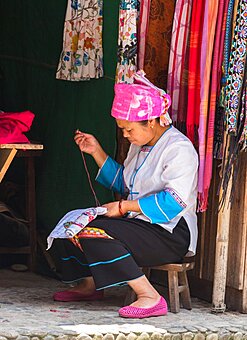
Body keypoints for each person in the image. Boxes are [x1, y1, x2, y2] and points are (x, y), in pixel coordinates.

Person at [50, 71, 198, 319]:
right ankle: (89, 285)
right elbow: (125, 183)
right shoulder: (139, 146)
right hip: (141, 226)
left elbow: (173, 202)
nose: (126, 136)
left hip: (171, 232)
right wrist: (96, 151)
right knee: (72, 223)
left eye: (128, 130)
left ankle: (150, 296)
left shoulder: (179, 149)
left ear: (150, 122)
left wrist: (123, 207)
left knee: (93, 232)